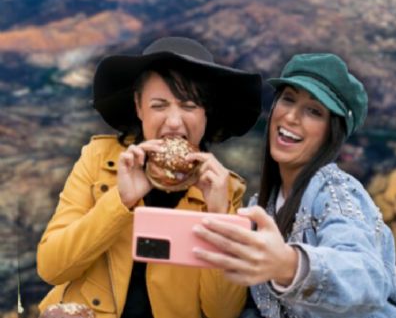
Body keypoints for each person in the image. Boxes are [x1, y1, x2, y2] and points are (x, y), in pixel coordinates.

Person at [36, 37, 262, 318]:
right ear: (139, 107)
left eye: (189, 106)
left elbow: (222, 312)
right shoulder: (98, 159)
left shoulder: (223, 187)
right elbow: (51, 268)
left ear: (207, 113)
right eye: (159, 105)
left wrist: (219, 217)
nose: (174, 121)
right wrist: (121, 200)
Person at [193, 53, 396, 317]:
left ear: (331, 132)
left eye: (314, 111)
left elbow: (367, 278)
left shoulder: (335, 192)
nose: (290, 117)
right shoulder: (262, 207)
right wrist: (219, 213)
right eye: (288, 99)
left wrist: (290, 265)